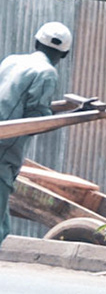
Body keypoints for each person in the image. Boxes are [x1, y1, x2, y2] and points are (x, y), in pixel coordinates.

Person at [0, 22, 75, 242]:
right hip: (3, 155)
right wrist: (73, 115)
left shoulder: (11, 61)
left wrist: (66, 110)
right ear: (65, 54)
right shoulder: (47, 73)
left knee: (4, 224)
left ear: (36, 42)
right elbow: (37, 120)